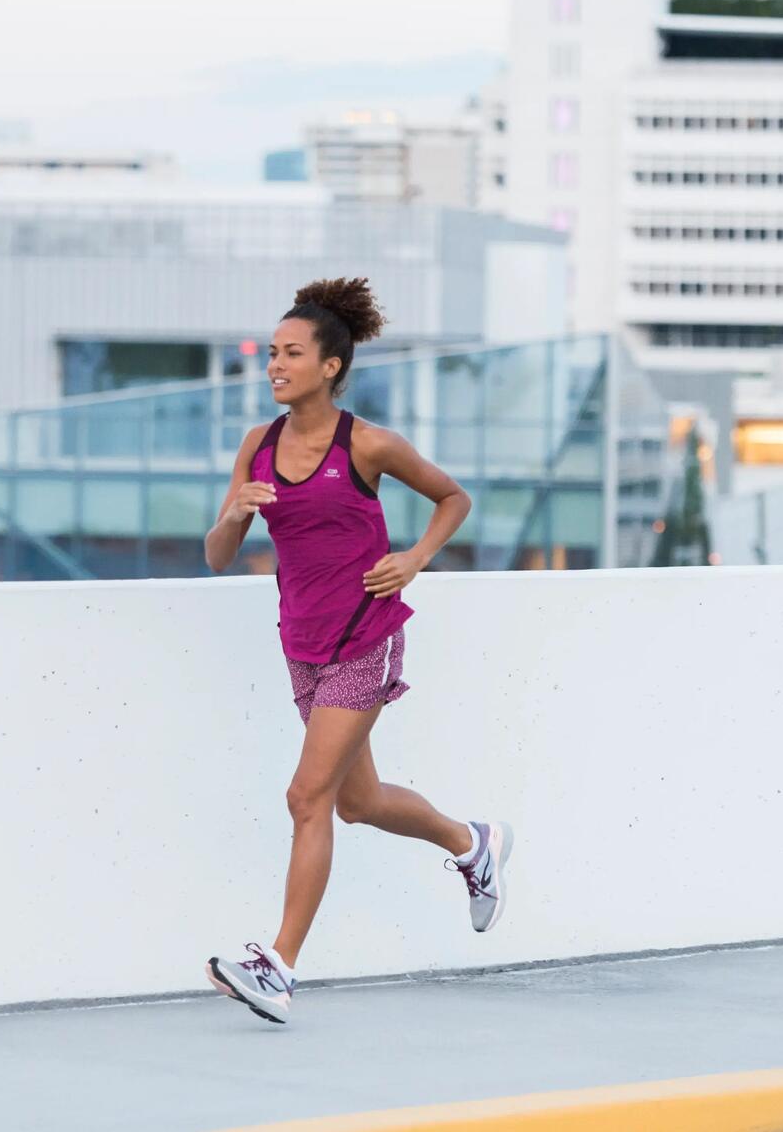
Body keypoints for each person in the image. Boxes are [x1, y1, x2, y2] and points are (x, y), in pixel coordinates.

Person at [201, 277, 513, 1025]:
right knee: (356, 801)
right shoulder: (258, 446)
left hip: (365, 637)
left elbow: (453, 498)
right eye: (272, 353)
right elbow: (216, 556)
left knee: (306, 797)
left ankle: (276, 966)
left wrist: (414, 558)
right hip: (301, 643)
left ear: (331, 365)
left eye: (291, 353)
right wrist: (235, 511)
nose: (275, 365)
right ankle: (474, 843)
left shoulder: (367, 443)